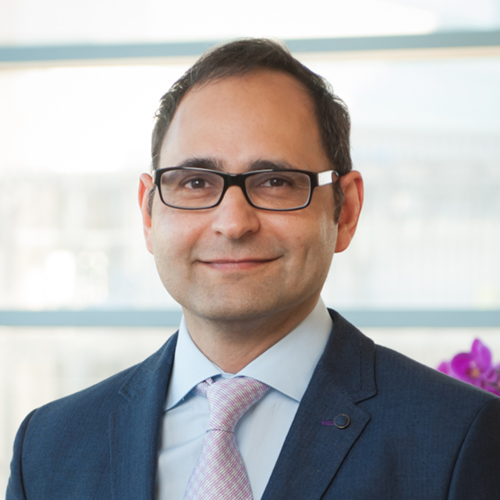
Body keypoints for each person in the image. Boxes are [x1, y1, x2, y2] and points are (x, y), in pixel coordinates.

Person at [7, 38, 500, 500]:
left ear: (344, 210)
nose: (233, 223)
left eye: (276, 182)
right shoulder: (48, 447)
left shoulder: (458, 438)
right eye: (196, 182)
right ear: (149, 213)